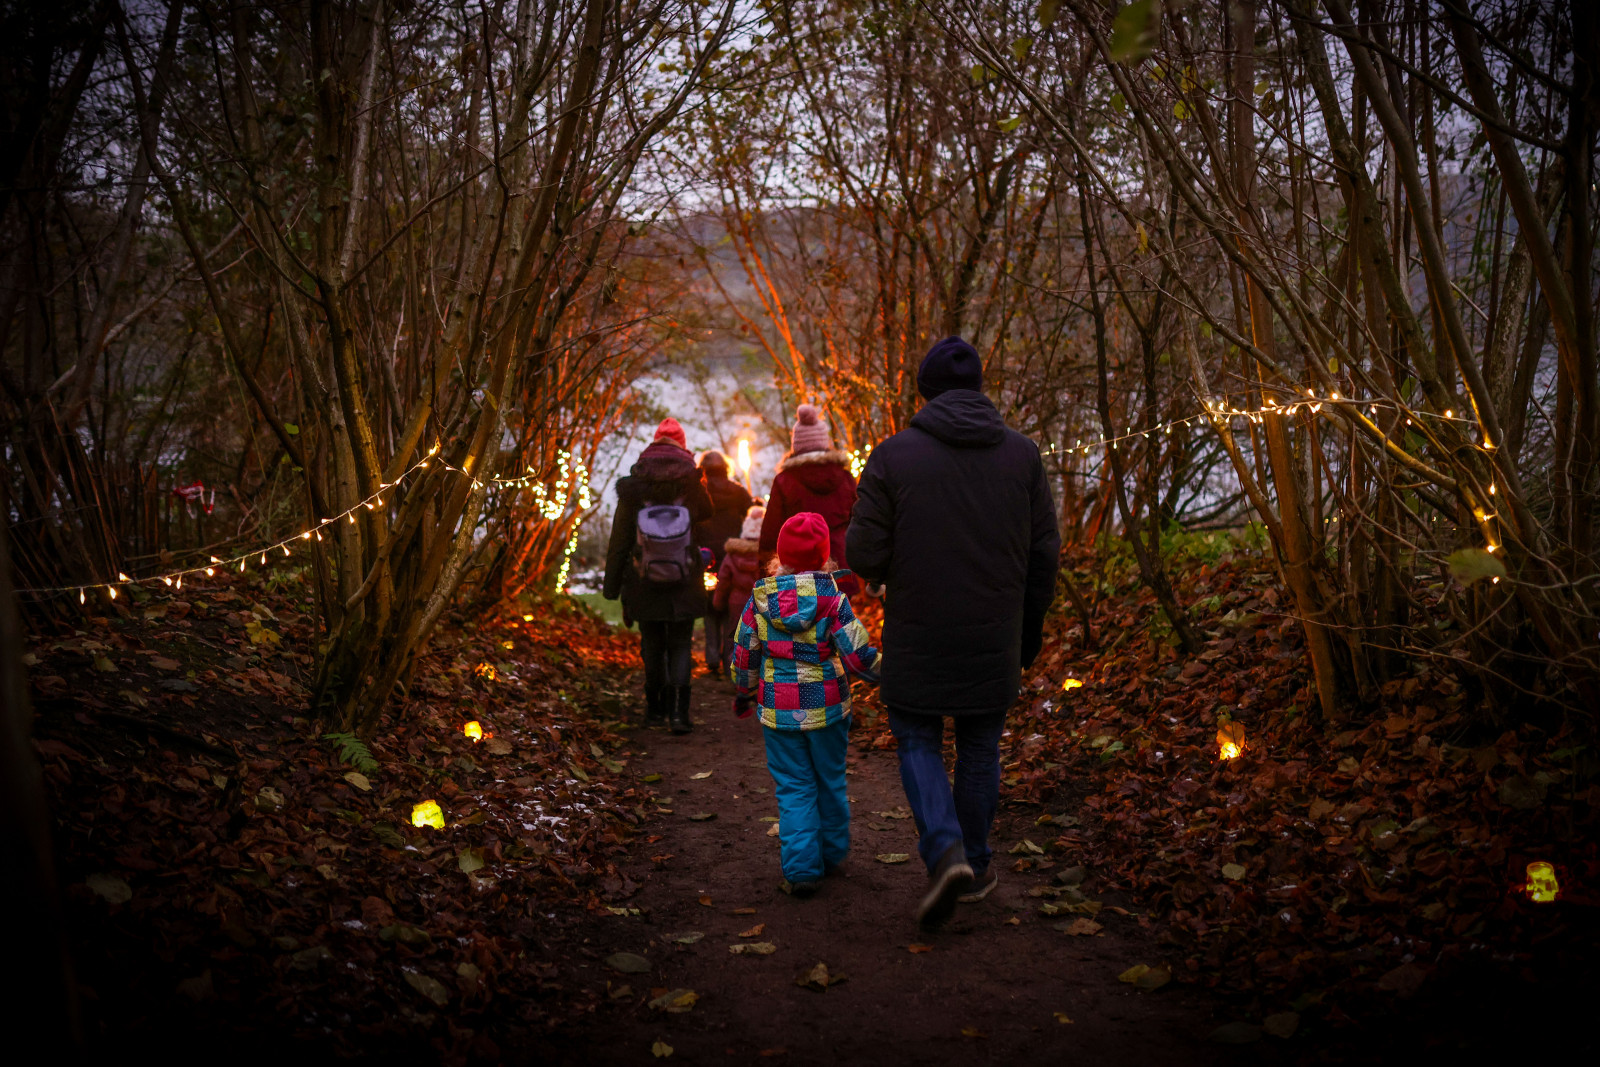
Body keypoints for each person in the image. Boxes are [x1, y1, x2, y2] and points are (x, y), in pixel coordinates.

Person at [846, 336, 1060, 928]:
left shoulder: (892, 456)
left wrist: (890, 569)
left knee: (916, 738)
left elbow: (862, 549)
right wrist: (1028, 631)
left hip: (920, 630)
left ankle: (946, 853)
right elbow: (1045, 555)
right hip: (995, 634)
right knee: (979, 747)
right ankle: (978, 864)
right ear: (979, 388)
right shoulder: (1023, 456)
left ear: (925, 392)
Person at [731, 512, 880, 898]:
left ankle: (801, 869)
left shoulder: (760, 601)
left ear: (781, 557)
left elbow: (743, 655)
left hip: (778, 711)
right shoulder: (833, 599)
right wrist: (892, 673)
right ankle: (831, 854)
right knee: (829, 779)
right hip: (827, 706)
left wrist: (744, 689)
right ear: (824, 558)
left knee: (794, 786)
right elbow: (858, 654)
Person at [603, 417, 713, 734]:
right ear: (683, 445)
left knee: (652, 645)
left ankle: (655, 712)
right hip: (684, 576)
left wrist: (612, 587)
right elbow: (708, 513)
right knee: (680, 644)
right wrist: (697, 481)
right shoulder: (692, 483)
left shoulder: (634, 487)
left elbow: (620, 538)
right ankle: (679, 715)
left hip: (642, 578)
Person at [758, 404, 858, 592]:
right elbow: (859, 522)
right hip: (840, 568)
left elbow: (771, 532)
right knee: (840, 618)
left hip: (797, 572)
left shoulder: (784, 481)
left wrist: (765, 575)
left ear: (796, 444)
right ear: (824, 442)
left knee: (802, 618)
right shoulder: (845, 477)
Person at [696, 450, 753, 672]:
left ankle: (711, 656)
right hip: (732, 560)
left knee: (710, 608)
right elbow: (750, 517)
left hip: (705, 558)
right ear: (726, 467)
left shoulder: (699, 493)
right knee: (730, 609)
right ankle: (729, 657)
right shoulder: (738, 492)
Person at [711, 504, 765, 671]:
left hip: (737, 602)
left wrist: (718, 602)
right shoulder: (766, 554)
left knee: (734, 636)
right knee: (760, 638)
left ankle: (732, 672)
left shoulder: (733, 553)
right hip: (761, 602)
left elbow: (724, 580)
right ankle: (756, 674)